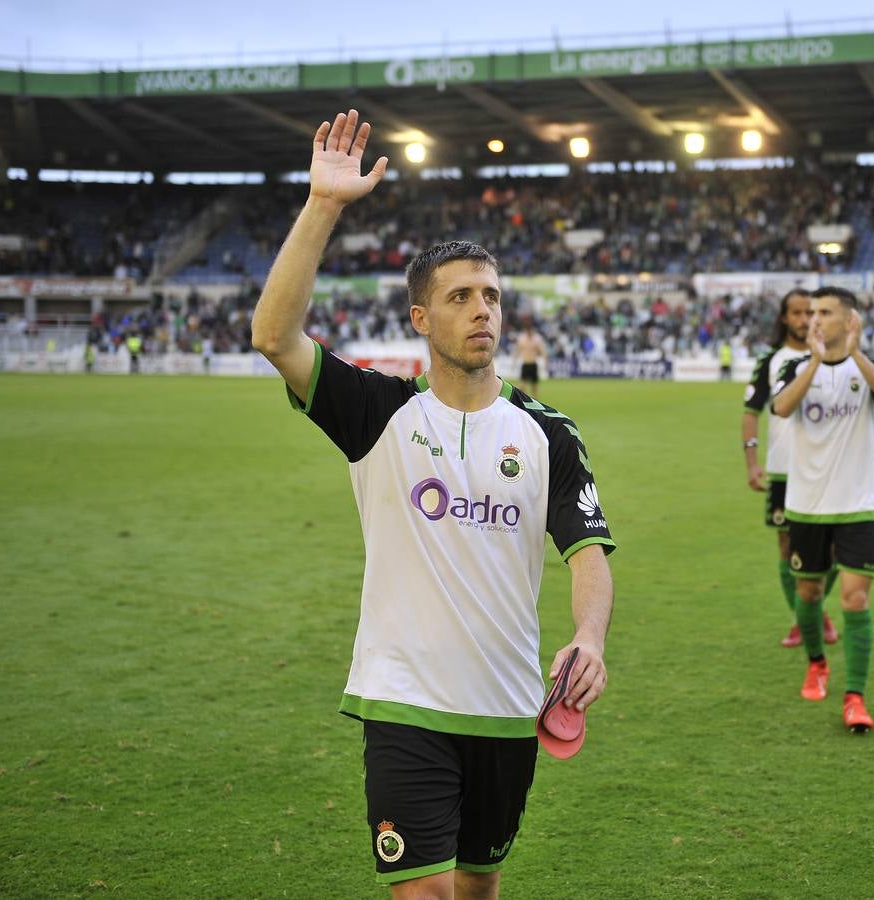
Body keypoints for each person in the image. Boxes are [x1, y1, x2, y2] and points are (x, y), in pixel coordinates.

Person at [251, 110, 616, 898]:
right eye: (460, 297)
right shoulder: (376, 412)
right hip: (404, 700)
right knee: (426, 893)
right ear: (422, 319)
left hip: (508, 707)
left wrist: (588, 638)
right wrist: (324, 205)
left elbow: (587, 549)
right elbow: (275, 336)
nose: (483, 309)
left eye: (490, 294)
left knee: (478, 891)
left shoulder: (548, 431)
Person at [771, 287, 874, 733]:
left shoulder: (870, 368)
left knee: (855, 598)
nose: (813, 319)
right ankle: (816, 663)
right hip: (806, 507)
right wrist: (814, 360)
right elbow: (782, 407)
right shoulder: (793, 367)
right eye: (810, 313)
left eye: (824, 313)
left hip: (858, 506)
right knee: (808, 596)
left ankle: (855, 697)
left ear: (848, 320)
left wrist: (856, 353)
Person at [741, 289, 839, 649]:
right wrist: (752, 463)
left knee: (836, 553)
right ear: (784, 317)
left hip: (827, 468)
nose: (802, 319)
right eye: (795, 313)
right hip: (784, 469)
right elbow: (751, 413)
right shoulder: (771, 359)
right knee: (788, 548)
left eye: (808, 312)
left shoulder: (833, 355)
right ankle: (806, 619)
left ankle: (810, 610)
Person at [514, 318, 547, 394]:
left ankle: (535, 403)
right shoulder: (522, 339)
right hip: (525, 364)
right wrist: (514, 361)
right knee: (522, 386)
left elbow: (542, 352)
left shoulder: (537, 339)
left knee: (534, 387)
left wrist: (545, 361)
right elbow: (517, 350)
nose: (529, 332)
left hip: (533, 364)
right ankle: (522, 404)